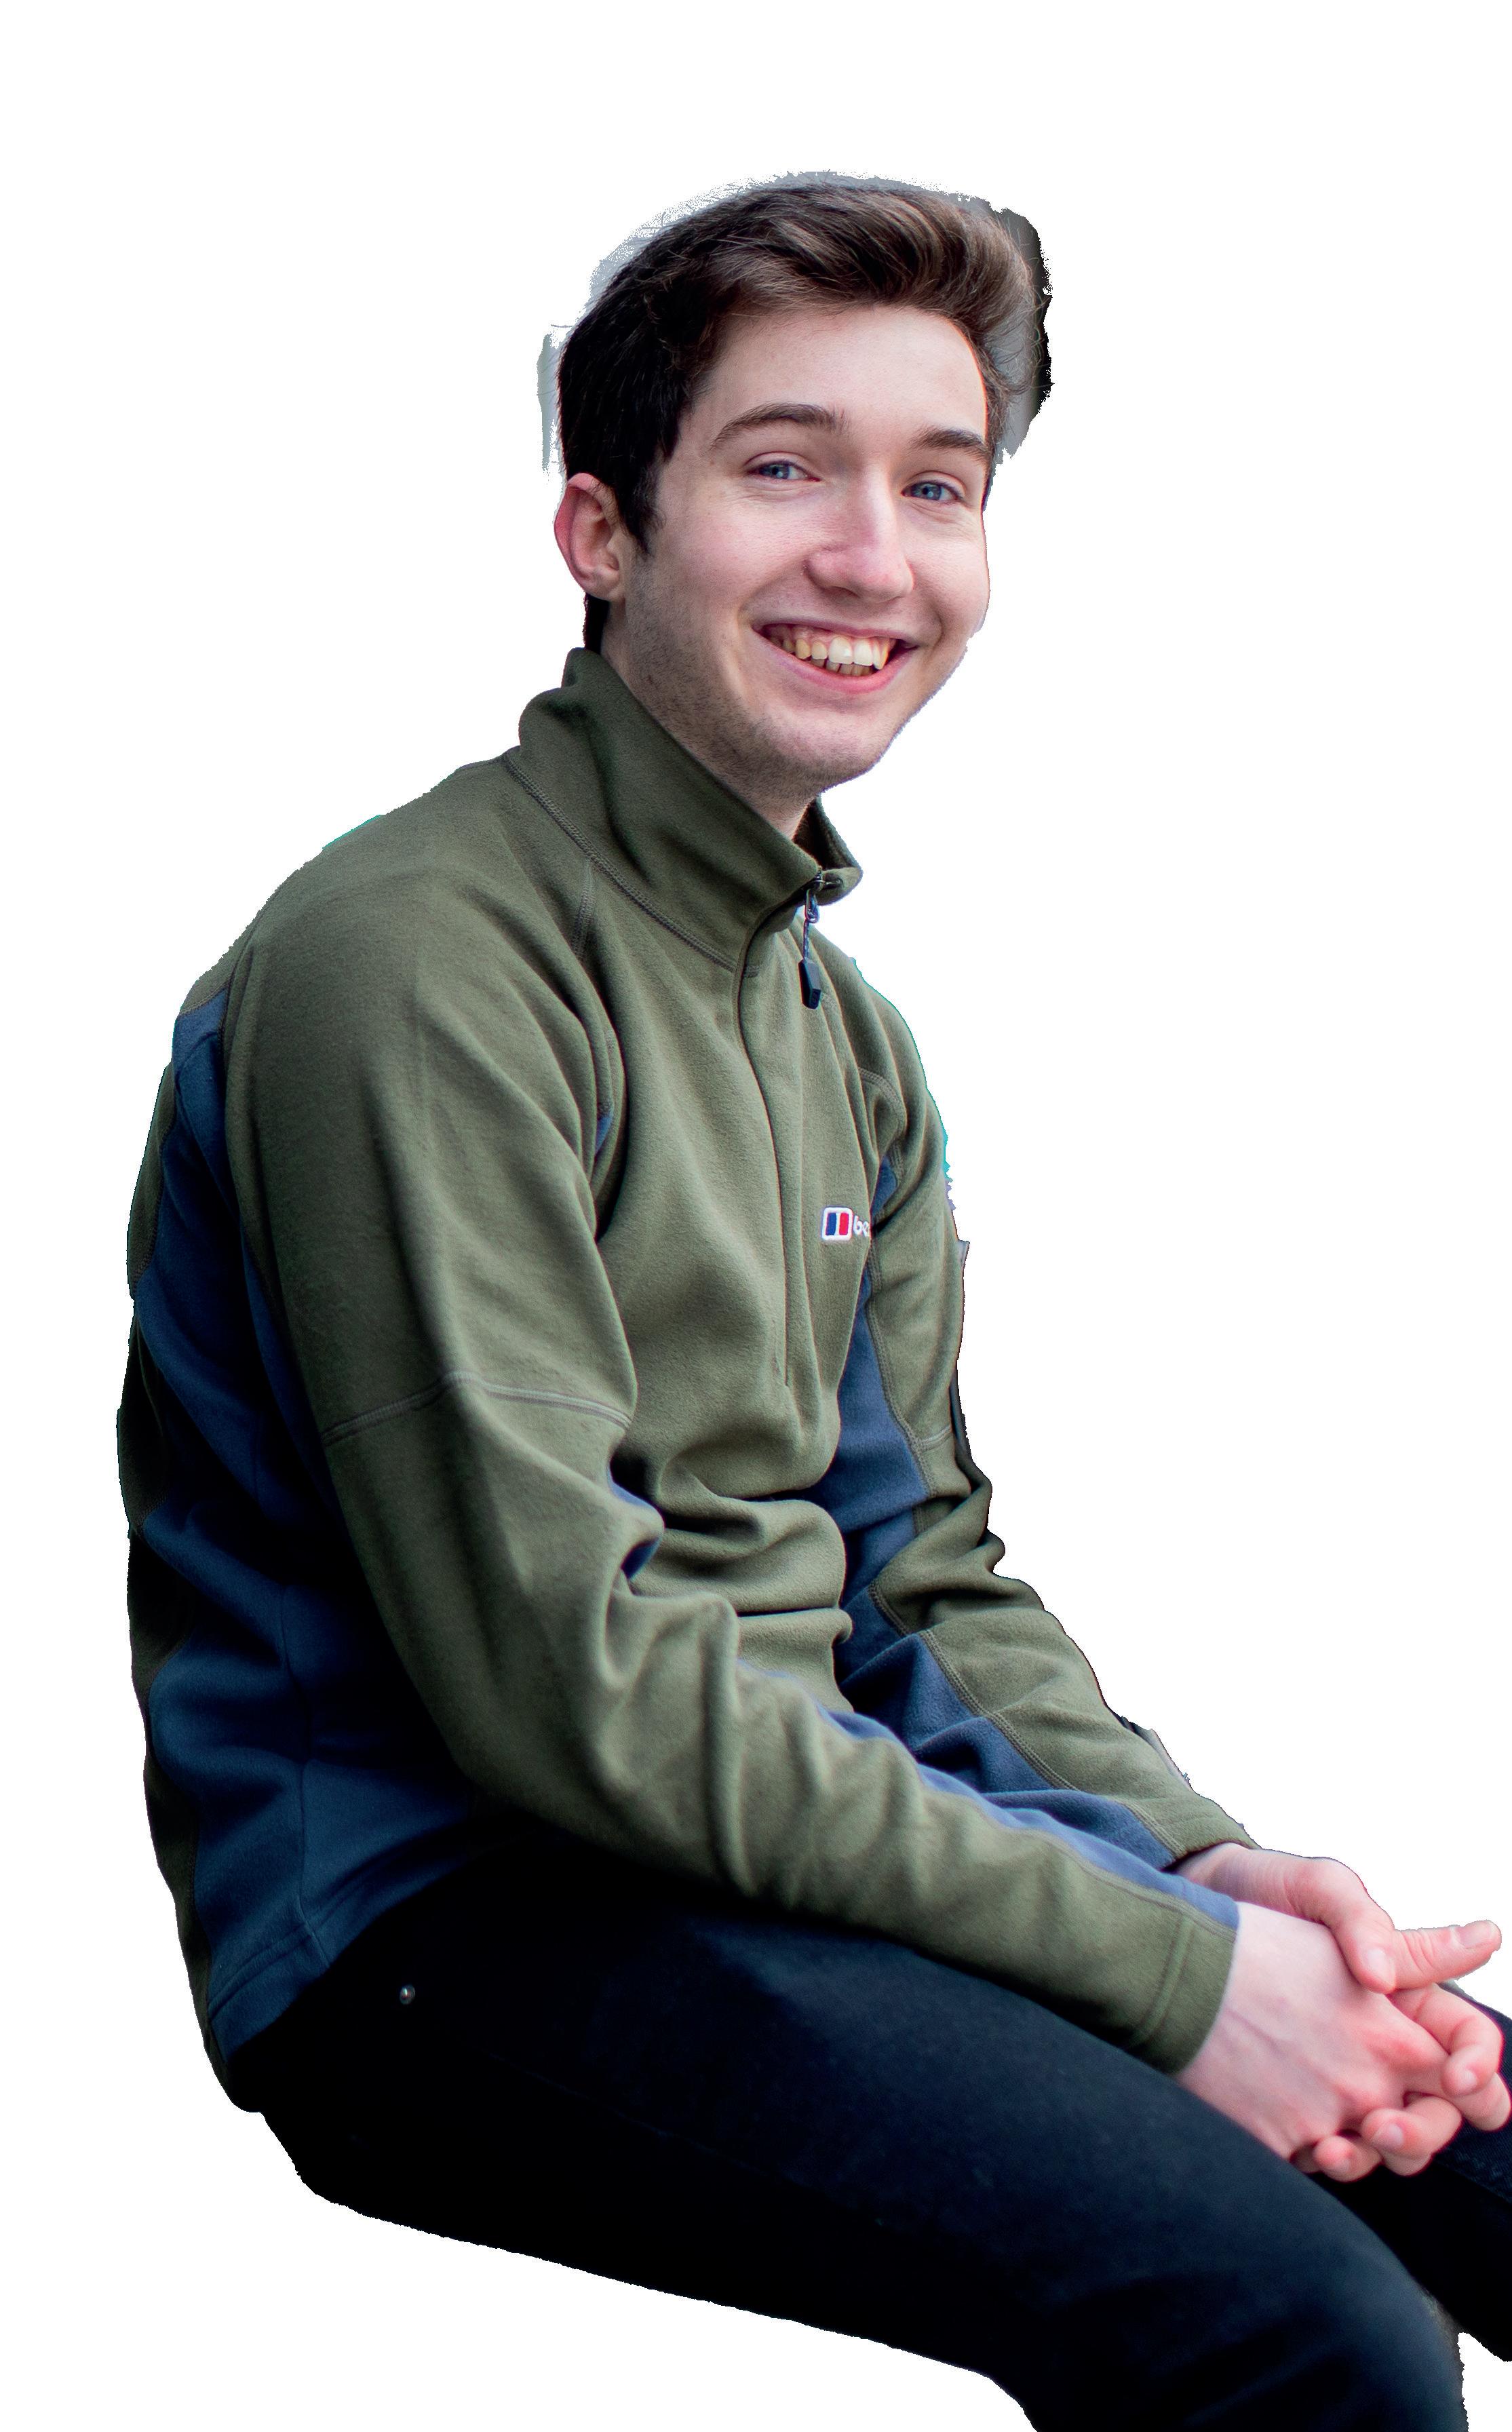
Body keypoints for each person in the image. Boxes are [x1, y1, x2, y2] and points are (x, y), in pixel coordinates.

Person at [118, 177, 1511, 2429]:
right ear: (601, 530)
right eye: (786, 468)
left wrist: (1200, 1865)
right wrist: (1177, 1978)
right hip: (447, 1912)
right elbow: (570, 1690)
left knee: (1489, 2138)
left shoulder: (838, 1033)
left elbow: (916, 1576)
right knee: (1296, 2319)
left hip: (777, 1827)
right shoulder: (415, 968)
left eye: (938, 485)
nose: (873, 553)